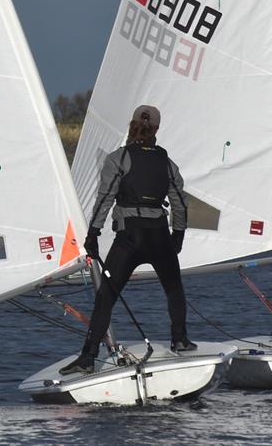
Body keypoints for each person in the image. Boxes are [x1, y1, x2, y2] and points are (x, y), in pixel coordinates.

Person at [59, 105, 195, 375]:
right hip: (159, 237)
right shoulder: (167, 163)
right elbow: (180, 204)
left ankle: (88, 357)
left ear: (131, 125)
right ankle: (179, 340)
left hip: (130, 239)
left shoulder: (118, 159)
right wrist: (177, 236)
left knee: (106, 296)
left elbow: (105, 199)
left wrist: (93, 234)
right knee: (174, 289)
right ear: (156, 130)